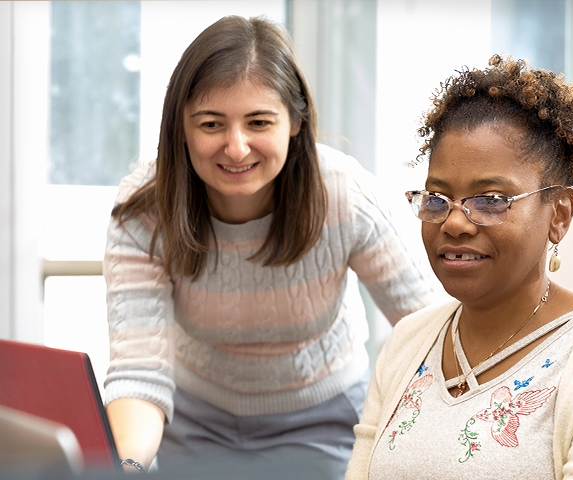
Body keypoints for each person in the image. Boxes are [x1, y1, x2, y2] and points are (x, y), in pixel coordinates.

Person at [102, 15, 436, 477]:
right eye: (211, 124)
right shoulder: (147, 206)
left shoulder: (342, 194)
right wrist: (128, 466)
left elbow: (429, 329)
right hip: (196, 422)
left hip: (327, 421)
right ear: (181, 127)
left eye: (258, 121)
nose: (236, 148)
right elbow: (139, 373)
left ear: (295, 122)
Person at [346, 55, 573, 479]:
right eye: (437, 198)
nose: (453, 222)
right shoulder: (408, 343)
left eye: (491, 200)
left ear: (559, 213)